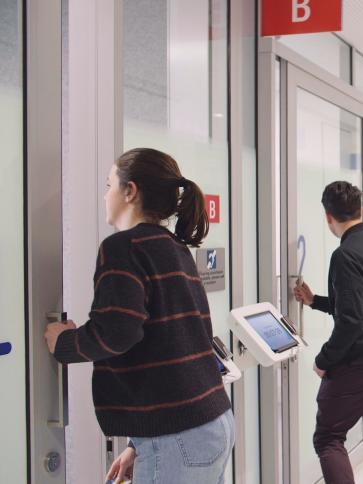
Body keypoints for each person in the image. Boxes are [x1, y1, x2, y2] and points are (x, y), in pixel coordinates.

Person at [43, 148, 234, 484]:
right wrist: (139, 445)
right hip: (209, 423)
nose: (105, 196)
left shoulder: (123, 248)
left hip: (179, 435)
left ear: (130, 191)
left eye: (109, 186)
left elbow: (117, 332)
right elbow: (170, 344)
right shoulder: (174, 248)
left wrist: (63, 342)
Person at [293, 181, 363, 484]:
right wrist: (315, 301)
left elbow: (351, 320)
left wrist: (324, 360)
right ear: (361, 210)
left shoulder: (345, 254)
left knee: (328, 438)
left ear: (328, 216)